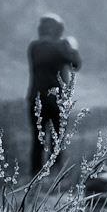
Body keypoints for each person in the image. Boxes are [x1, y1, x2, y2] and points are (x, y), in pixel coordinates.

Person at [26, 14, 82, 177]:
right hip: (57, 100)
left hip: (35, 98)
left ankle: (35, 174)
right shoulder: (62, 46)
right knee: (57, 139)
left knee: (37, 139)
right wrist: (72, 46)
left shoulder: (34, 47)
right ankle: (55, 174)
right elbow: (76, 64)